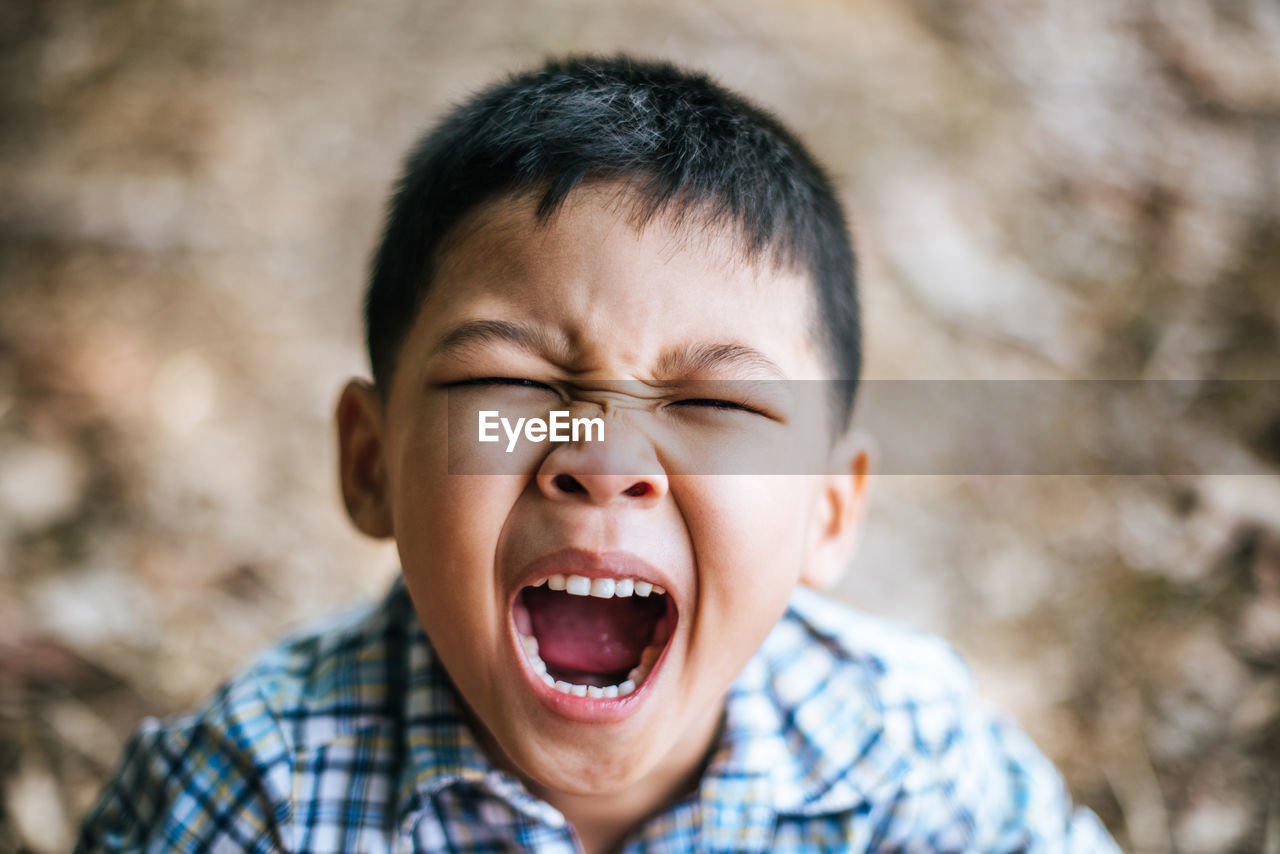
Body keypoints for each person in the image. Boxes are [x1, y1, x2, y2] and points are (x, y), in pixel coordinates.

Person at [75, 55, 1120, 853]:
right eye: (511, 382)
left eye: (714, 400)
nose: (606, 454)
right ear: (369, 461)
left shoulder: (906, 758)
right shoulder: (257, 793)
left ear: (827, 510)